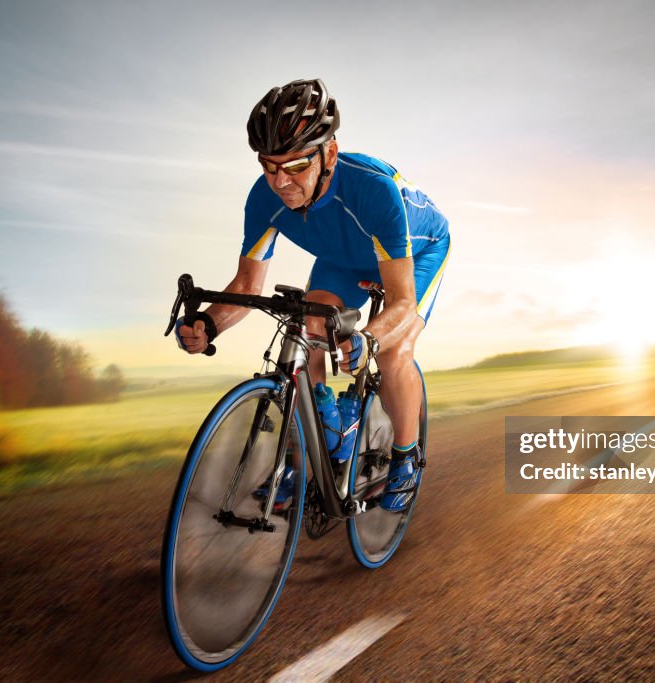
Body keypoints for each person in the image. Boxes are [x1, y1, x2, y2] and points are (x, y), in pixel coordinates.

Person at [176, 78, 450, 511]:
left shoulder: (372, 191)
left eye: (297, 166)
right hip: (343, 256)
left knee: (393, 352)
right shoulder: (263, 197)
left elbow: (401, 304)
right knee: (309, 322)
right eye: (269, 166)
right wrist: (209, 323)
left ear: (330, 154)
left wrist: (369, 339)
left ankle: (405, 458)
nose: (281, 182)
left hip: (415, 252)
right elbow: (248, 285)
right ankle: (318, 445)